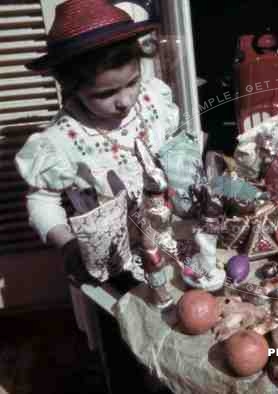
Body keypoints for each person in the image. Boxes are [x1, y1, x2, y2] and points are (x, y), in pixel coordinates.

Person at [14, 0, 180, 283]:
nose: (125, 100)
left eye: (132, 82)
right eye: (105, 94)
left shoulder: (152, 100)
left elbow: (170, 145)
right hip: (115, 260)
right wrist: (66, 244)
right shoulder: (60, 141)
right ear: (74, 88)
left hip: (170, 235)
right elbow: (42, 201)